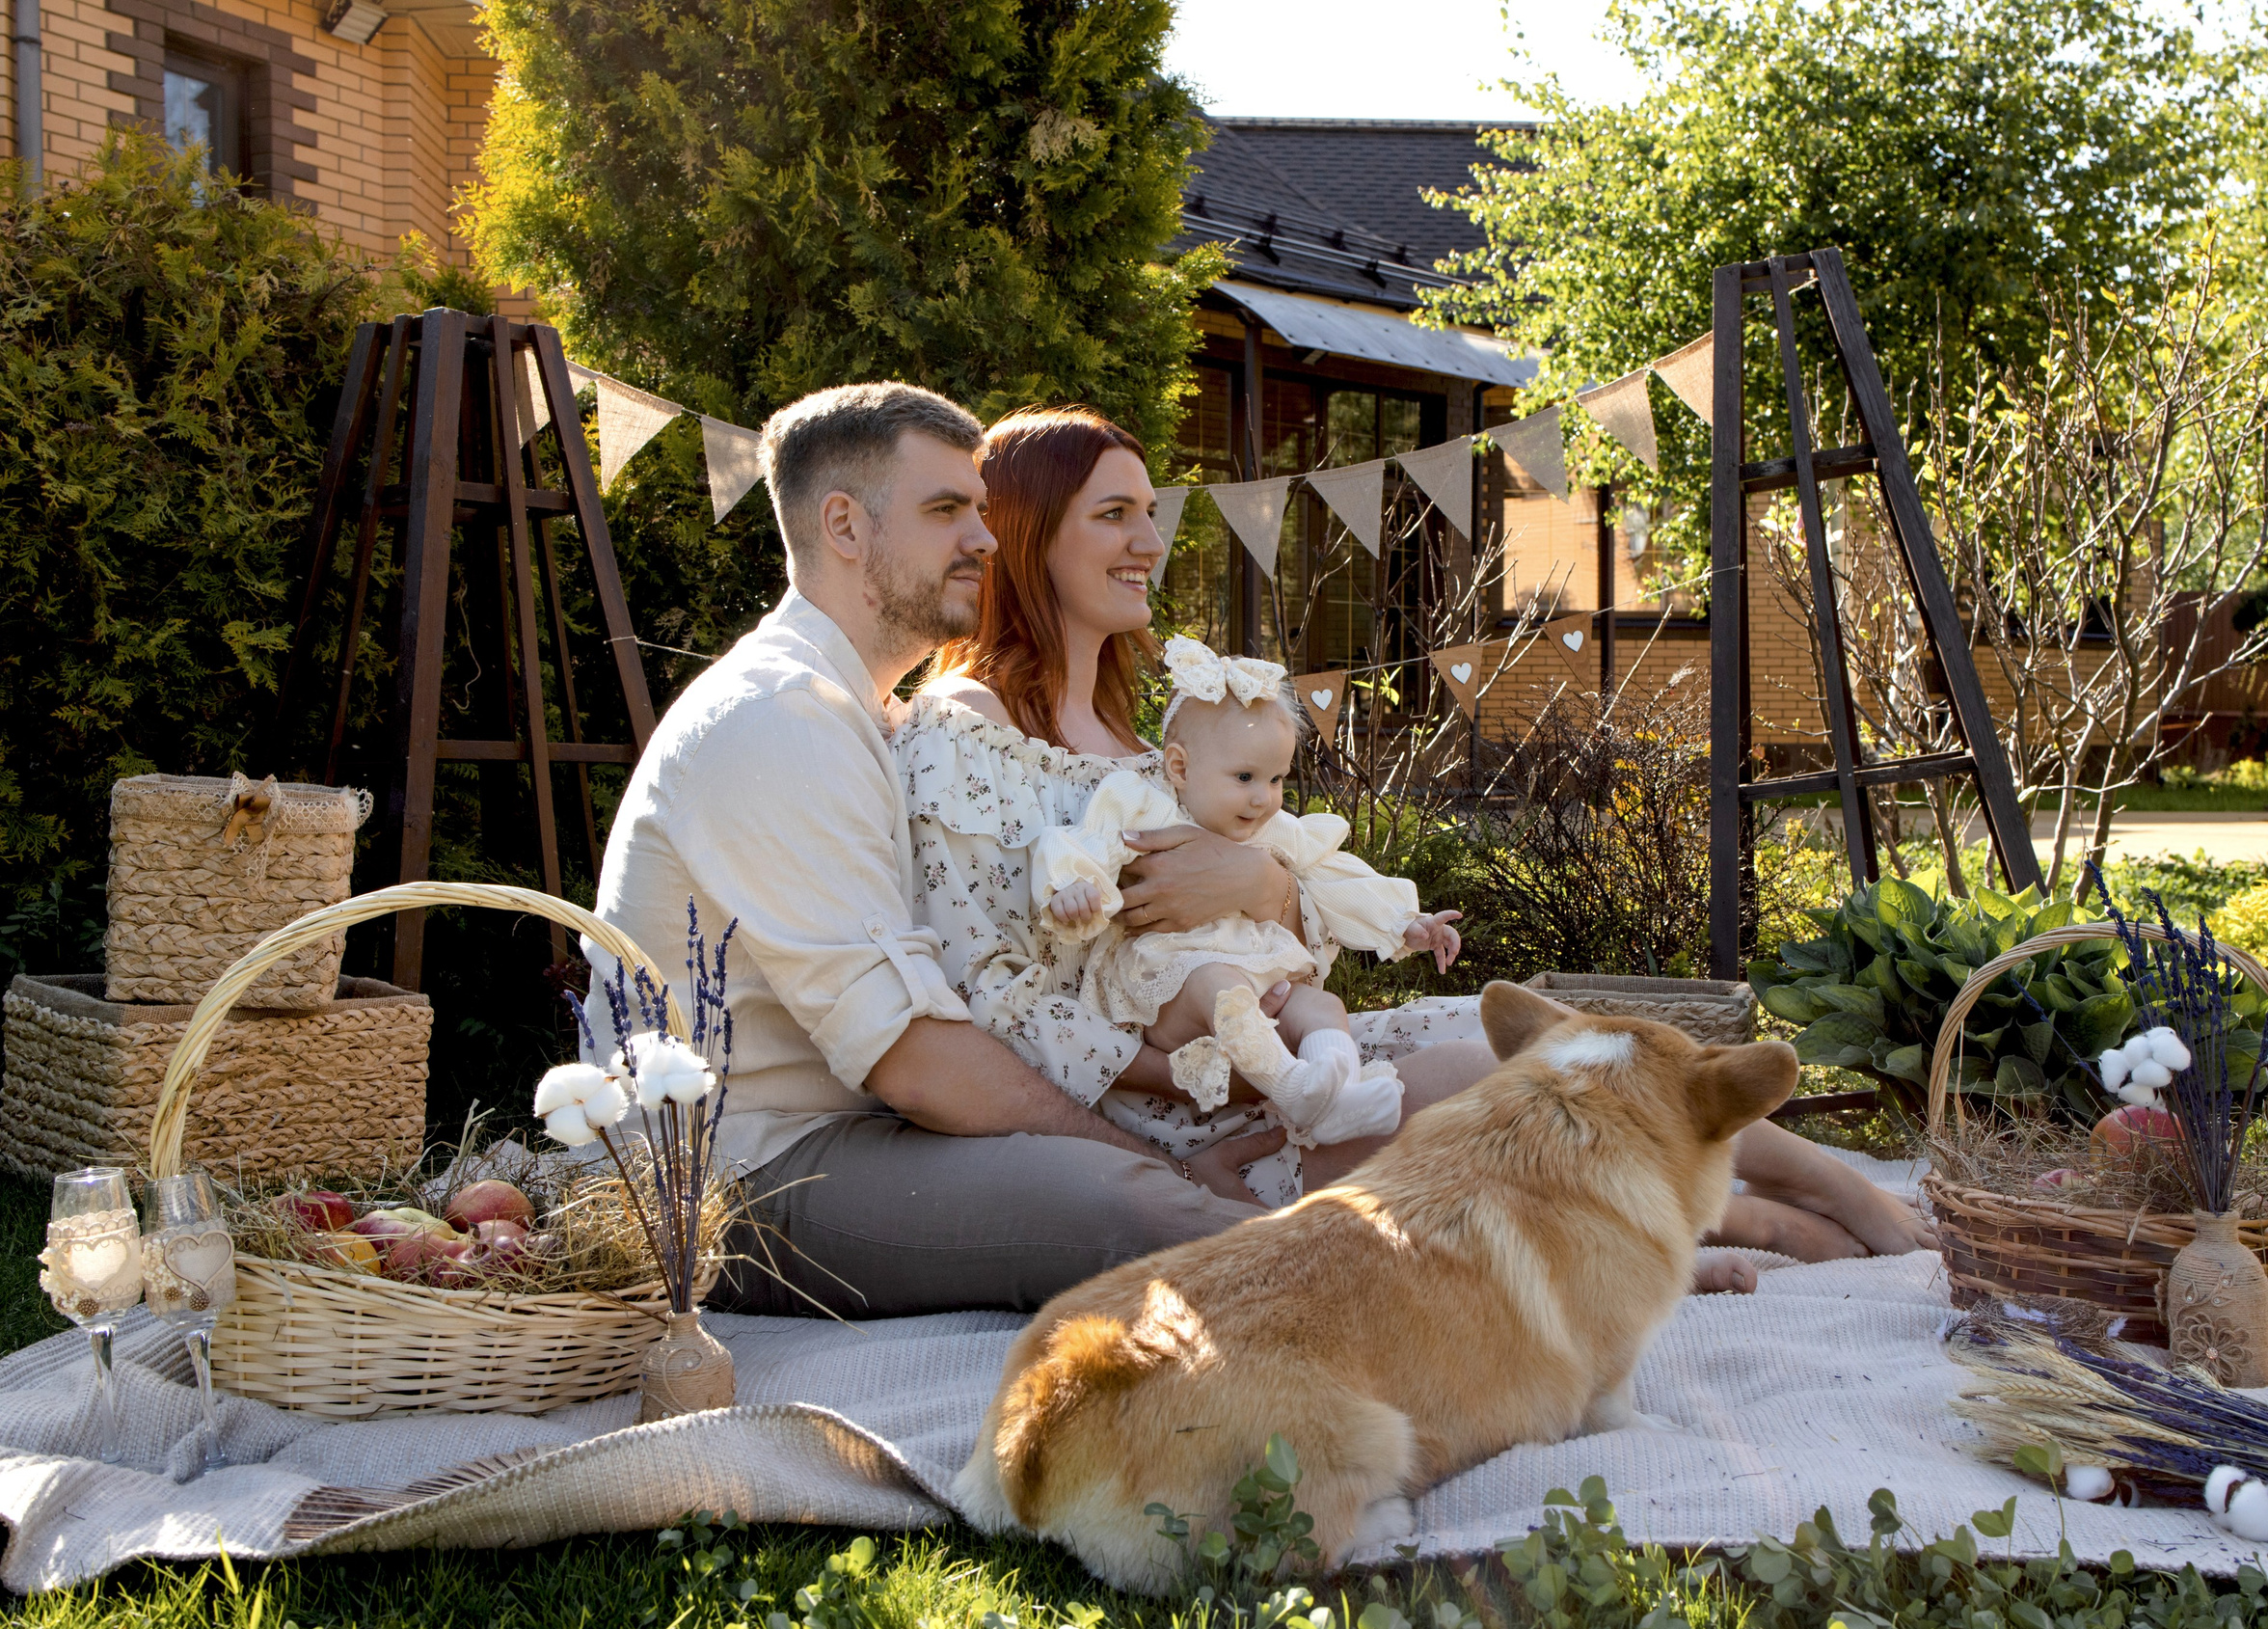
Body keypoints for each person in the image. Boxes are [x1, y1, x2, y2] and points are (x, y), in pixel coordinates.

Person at [900, 405, 1940, 1262]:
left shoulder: (1153, 737)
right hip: (1185, 1098)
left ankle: (1846, 1195)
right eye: (1113, 515)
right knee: (1478, 1085)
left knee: (1545, 1038)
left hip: (1289, 1039)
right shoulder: (969, 730)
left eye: (1149, 512)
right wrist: (1183, 1079)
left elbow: (1267, 906)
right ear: (1030, 535)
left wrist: (1259, 886)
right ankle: (1754, 1223)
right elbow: (991, 993)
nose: (1149, 543)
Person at [588, 383, 1336, 1322]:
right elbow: (914, 1061)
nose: (984, 540)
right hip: (742, 1174)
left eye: (982, 512)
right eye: (947, 511)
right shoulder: (777, 715)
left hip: (872, 1131)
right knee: (1127, 1206)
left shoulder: (865, 712)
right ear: (844, 526)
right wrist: (1162, 1159)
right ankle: (1395, 1342)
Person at [1029, 636, 1465, 1207]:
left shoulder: (1267, 828)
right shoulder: (1141, 802)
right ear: (1180, 767)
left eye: (1277, 779)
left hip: (1256, 978)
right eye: (1244, 778)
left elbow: (1329, 872)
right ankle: (1295, 1090)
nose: (1264, 798)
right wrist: (1073, 889)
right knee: (1221, 985)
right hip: (1168, 986)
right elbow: (1085, 844)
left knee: (1320, 1007)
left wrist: (1402, 920)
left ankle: (1336, 1095)